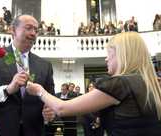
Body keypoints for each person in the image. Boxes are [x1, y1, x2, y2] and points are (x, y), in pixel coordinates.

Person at [27, 32, 161, 136]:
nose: (106, 58)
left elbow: (62, 108)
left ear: (122, 55)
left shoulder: (120, 83)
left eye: (110, 54)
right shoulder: (147, 82)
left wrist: (39, 91)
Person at [0, 14, 55, 136]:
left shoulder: (45, 65)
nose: (34, 33)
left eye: (36, 30)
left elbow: (50, 101)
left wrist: (50, 112)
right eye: (29, 28)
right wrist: (7, 90)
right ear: (13, 30)